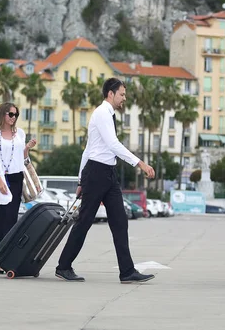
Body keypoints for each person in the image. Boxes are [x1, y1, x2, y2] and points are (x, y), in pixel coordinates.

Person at [55, 77, 156, 284]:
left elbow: (88, 149)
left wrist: (80, 181)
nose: (124, 99)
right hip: (97, 173)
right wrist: (140, 164)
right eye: (121, 94)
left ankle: (127, 271)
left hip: (107, 173)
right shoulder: (102, 113)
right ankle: (63, 266)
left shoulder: (107, 115)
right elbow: (113, 144)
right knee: (84, 222)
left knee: (120, 221)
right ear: (110, 93)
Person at [0, 102, 36, 274]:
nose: (13, 117)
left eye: (16, 114)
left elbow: (20, 156)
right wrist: (0, 180)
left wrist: (27, 148)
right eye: (10, 114)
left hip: (17, 177)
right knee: (4, 217)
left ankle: (8, 257)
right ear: (3, 114)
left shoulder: (20, 133)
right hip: (2, 178)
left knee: (12, 218)